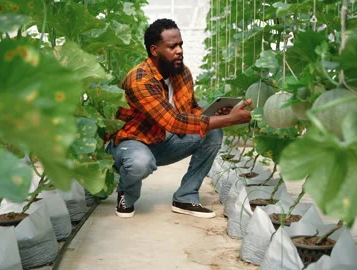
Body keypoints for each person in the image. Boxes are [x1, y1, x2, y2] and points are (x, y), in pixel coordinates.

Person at [106, 18, 252, 219]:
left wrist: (216, 114)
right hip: (132, 143)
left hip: (164, 141)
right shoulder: (140, 79)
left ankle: (185, 196)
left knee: (213, 132)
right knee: (140, 162)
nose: (179, 50)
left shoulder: (181, 72)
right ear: (155, 50)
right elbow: (173, 121)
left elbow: (190, 110)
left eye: (180, 44)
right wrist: (231, 120)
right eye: (172, 46)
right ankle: (126, 194)